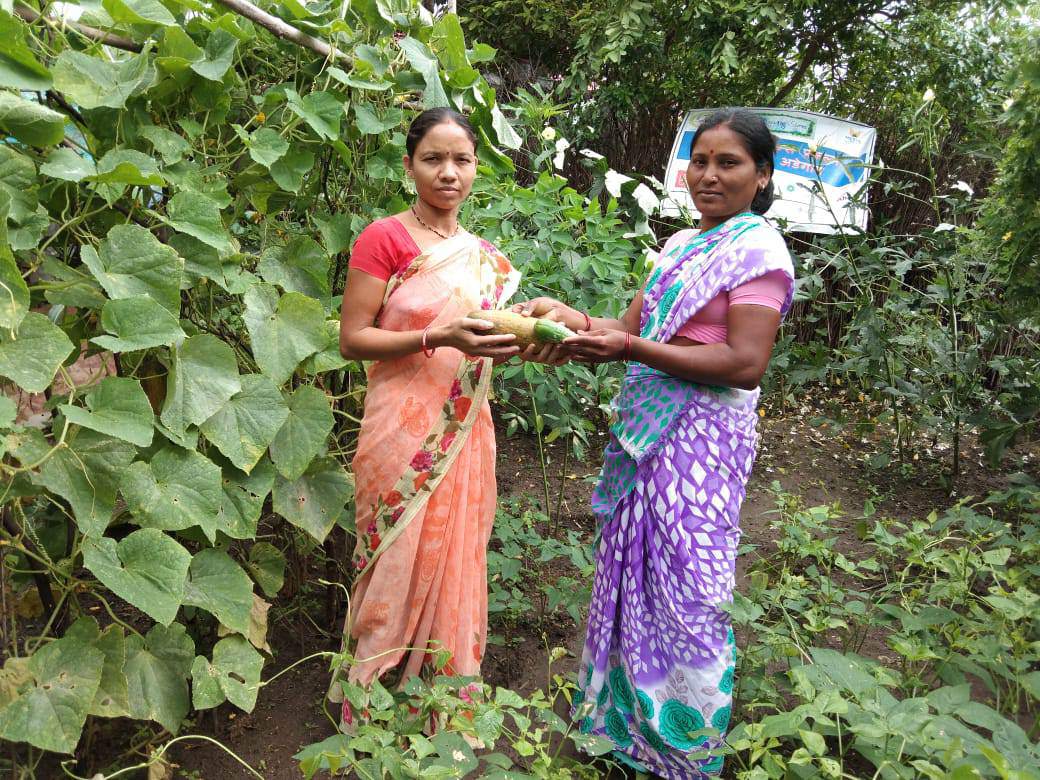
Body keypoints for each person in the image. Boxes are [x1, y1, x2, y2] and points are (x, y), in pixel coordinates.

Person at [514, 108, 795, 777]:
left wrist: (630, 346)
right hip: (649, 439)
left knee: (690, 592)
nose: (709, 175)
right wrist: (567, 321)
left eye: (728, 163)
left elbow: (744, 361)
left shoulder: (759, 251)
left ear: (761, 175)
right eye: (700, 161)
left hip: (701, 447)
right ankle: (625, 736)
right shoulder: (677, 247)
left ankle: (684, 746)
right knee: (635, 579)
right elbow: (624, 328)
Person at [330, 108, 556, 721]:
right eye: (433, 158)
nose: (447, 172)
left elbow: (483, 352)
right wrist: (436, 336)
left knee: (455, 559)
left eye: (461, 159)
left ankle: (438, 705)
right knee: (392, 560)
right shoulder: (384, 238)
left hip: (463, 432)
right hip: (396, 437)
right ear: (409, 167)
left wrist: (533, 336)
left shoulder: (485, 258)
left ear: (475, 168)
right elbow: (353, 339)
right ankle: (369, 708)